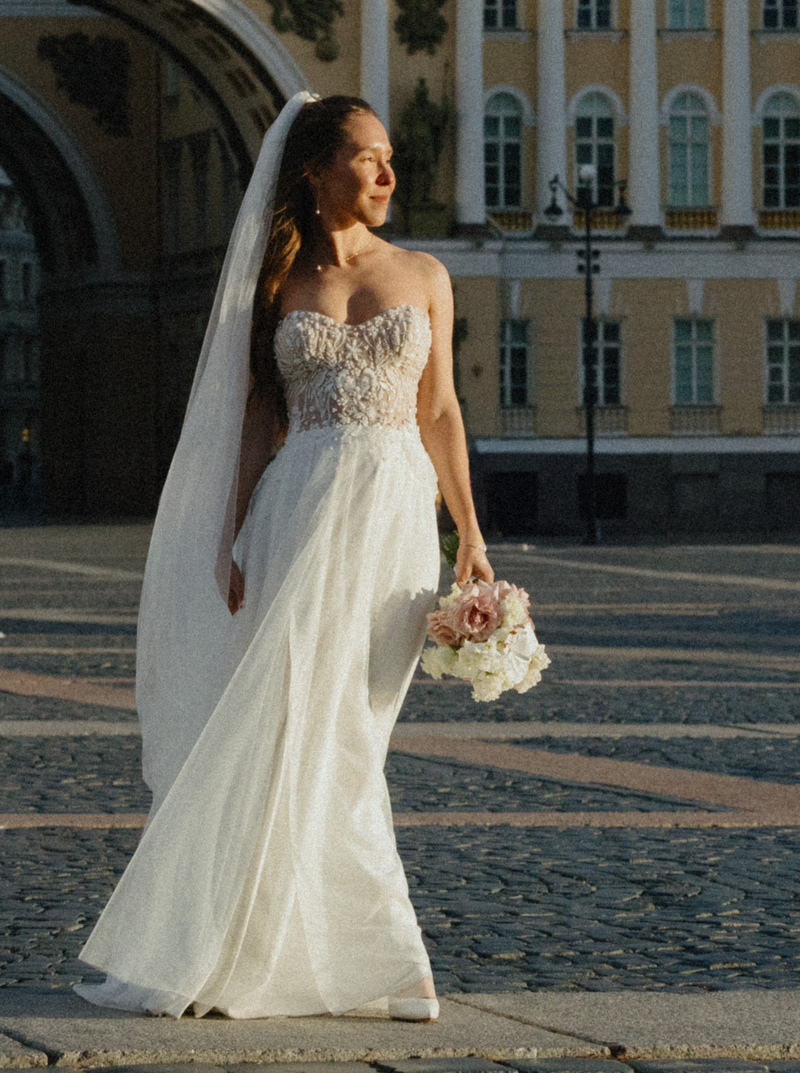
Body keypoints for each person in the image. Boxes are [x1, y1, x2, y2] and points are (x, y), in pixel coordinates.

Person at [74, 93, 491, 1021]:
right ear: (314, 170)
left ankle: (355, 955)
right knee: (287, 725)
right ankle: (305, 955)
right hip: (295, 509)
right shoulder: (276, 285)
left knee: (353, 734)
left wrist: (471, 535)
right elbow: (256, 418)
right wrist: (228, 531)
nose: (388, 174)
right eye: (367, 157)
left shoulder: (424, 273)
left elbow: (440, 411)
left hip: (391, 520)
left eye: (390, 158)